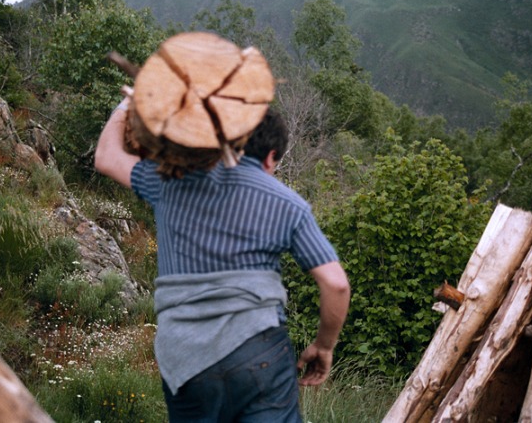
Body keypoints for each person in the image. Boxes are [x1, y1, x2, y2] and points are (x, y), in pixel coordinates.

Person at [94, 94, 350, 422]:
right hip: (259, 350)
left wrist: (128, 103)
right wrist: (323, 346)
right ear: (271, 157)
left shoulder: (169, 181)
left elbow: (106, 156)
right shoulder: (287, 203)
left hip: (186, 360)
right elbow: (336, 284)